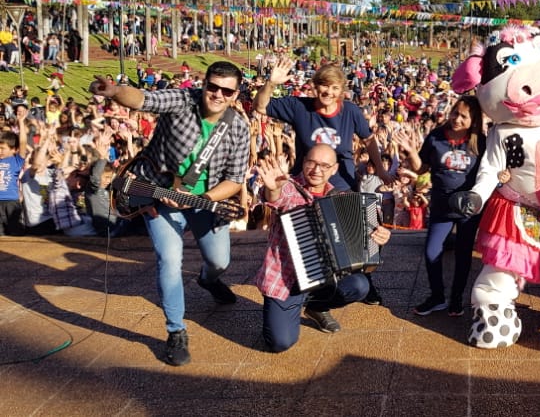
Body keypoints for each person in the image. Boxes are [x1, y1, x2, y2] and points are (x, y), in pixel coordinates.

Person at [89, 61, 251, 367]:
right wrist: (114, 92)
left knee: (220, 261)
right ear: (204, 84)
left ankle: (208, 279)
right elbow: (143, 99)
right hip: (158, 192)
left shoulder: (239, 129)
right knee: (169, 259)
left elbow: (235, 180)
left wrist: (202, 198)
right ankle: (176, 330)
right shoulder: (183, 100)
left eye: (225, 90)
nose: (217, 94)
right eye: (212, 86)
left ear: (235, 94)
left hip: (204, 199)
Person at [254, 56, 392, 305]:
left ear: (342, 90)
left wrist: (381, 171)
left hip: (342, 184)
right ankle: (308, 282)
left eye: (334, 87)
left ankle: (362, 283)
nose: (328, 92)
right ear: (315, 86)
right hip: (306, 184)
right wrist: (271, 84)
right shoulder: (299, 107)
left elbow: (368, 139)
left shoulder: (350, 111)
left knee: (361, 234)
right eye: (324, 86)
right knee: (312, 235)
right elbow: (261, 107)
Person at [254, 144, 392, 352]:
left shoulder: (340, 197)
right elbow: (276, 198)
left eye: (324, 165)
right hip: (286, 280)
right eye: (311, 163)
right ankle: (287, 311)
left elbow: (369, 235)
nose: (316, 170)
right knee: (280, 343)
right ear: (303, 161)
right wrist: (272, 189)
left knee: (359, 286)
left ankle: (316, 307)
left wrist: (380, 236)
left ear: (334, 169)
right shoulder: (288, 187)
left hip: (323, 279)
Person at [396, 95, 485, 317]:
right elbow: (421, 169)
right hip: (441, 206)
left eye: (464, 116)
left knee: (464, 254)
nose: (457, 119)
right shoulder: (436, 137)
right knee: (431, 251)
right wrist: (412, 152)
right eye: (455, 113)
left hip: (468, 209)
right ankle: (437, 297)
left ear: (473, 119)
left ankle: (456, 299)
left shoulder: (479, 141)